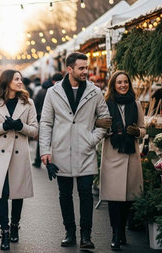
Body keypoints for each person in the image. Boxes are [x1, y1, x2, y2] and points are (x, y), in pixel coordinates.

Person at [39, 52, 109, 249]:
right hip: (61, 151)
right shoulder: (54, 93)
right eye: (81, 68)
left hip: (86, 151)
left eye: (86, 68)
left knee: (86, 193)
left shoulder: (95, 92)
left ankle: (86, 235)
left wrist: (92, 139)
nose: (86, 71)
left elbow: (105, 119)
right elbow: (45, 122)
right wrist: (45, 150)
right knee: (65, 194)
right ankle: (69, 232)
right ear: (69, 69)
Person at [0, 69, 38, 250]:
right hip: (0, 155)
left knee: (17, 192)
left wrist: (21, 126)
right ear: (7, 81)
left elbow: (35, 130)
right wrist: (4, 126)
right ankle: (4, 231)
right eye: (16, 79)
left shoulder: (28, 102)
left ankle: (15, 226)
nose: (20, 82)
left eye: (21, 79)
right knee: (2, 193)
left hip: (19, 154)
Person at [98, 71, 145, 251]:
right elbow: (99, 126)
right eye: (119, 82)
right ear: (113, 85)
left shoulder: (136, 104)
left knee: (127, 199)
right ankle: (115, 234)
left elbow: (143, 128)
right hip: (113, 154)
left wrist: (137, 132)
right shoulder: (106, 104)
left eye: (126, 82)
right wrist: (107, 130)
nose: (123, 85)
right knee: (114, 199)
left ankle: (122, 231)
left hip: (131, 156)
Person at [32, 73, 63, 168]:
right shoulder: (53, 91)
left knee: (42, 140)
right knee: (53, 140)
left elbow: (36, 104)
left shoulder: (41, 90)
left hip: (40, 117)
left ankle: (39, 159)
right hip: (50, 118)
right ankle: (51, 161)